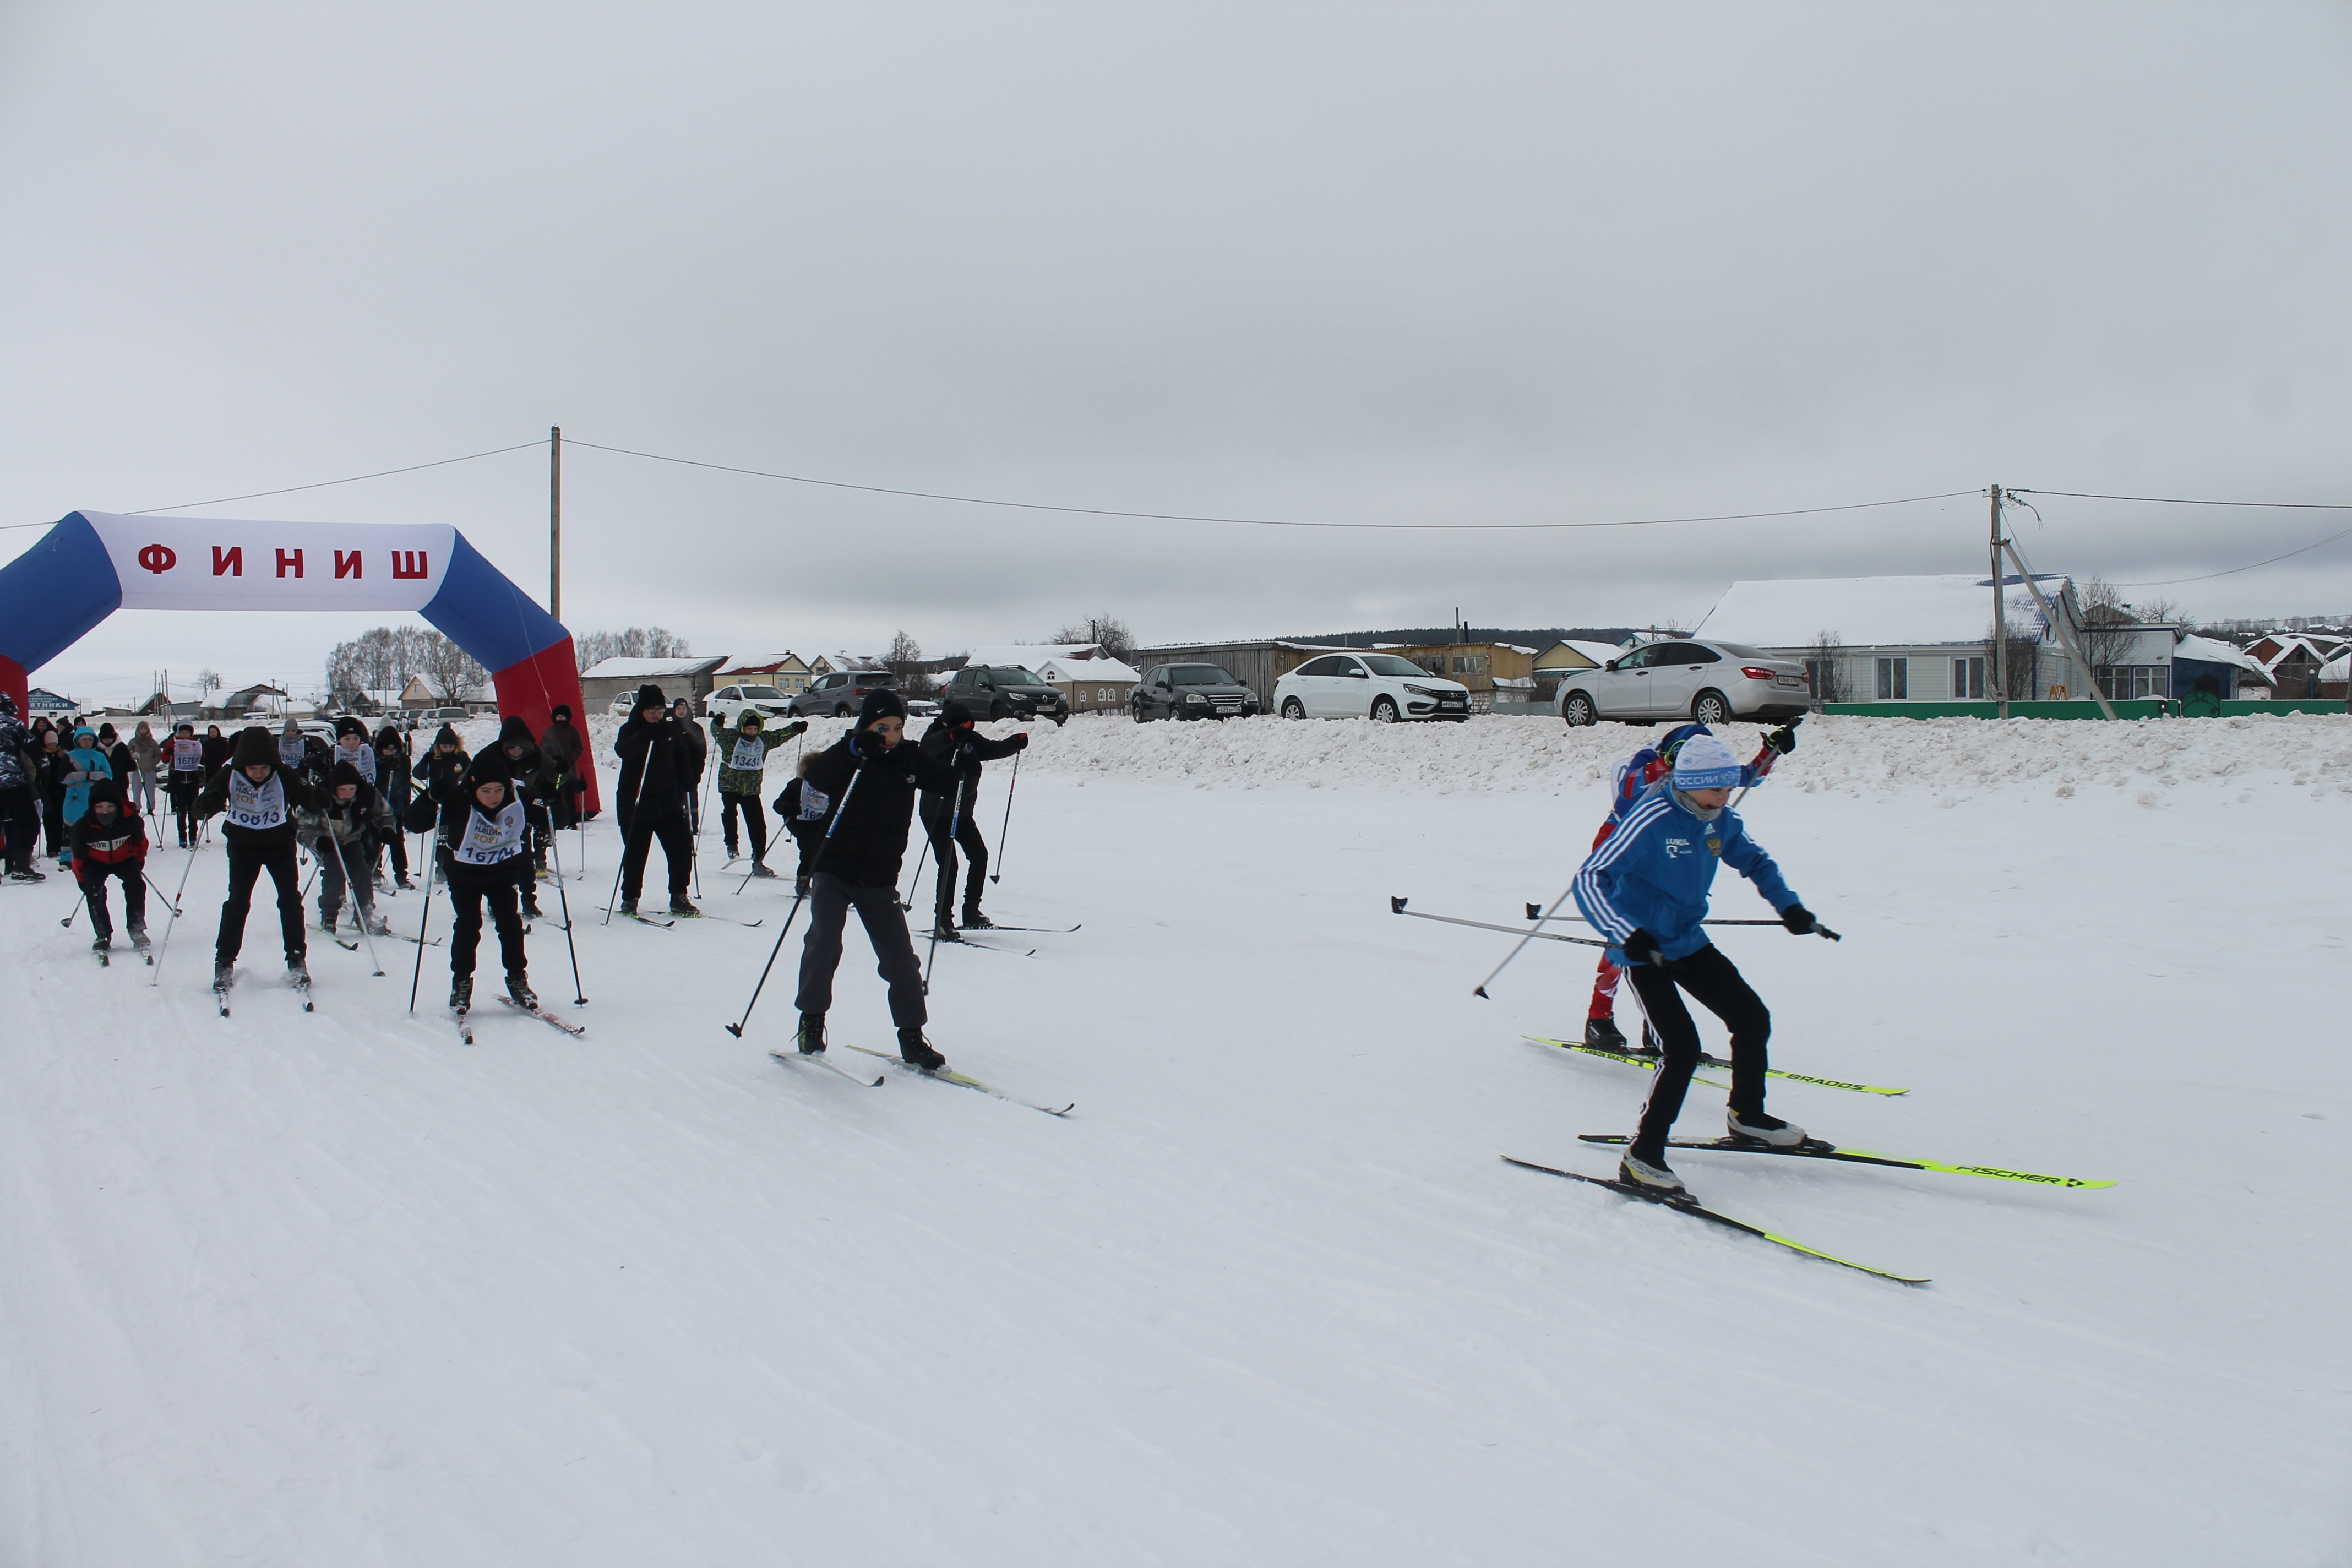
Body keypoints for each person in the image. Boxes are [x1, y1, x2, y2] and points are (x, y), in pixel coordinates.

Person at [1571, 734, 1820, 1195]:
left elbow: (1756, 862)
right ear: (1690, 784)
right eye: (1717, 791)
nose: (1725, 799)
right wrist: (1625, 931)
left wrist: (1789, 907)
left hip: (1687, 940)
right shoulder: (1651, 818)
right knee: (1682, 1048)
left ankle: (1747, 1116)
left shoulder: (1716, 820)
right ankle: (1643, 1155)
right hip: (1643, 949)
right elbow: (1589, 877)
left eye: (1728, 790)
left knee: (1751, 1017)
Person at [1581, 721, 1796, 1053]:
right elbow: (1628, 793)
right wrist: (1666, 762)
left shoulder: (1704, 779)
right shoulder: (1645, 760)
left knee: (1667, 943)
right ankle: (1599, 1018)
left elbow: (1746, 776)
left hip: (1675, 842)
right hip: (1625, 841)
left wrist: (1772, 751)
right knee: (1628, 936)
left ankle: (1656, 1030)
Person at [788, 688, 961, 1070]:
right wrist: (854, 751)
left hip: (880, 877)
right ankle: (812, 1020)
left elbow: (947, 782)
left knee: (901, 960)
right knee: (824, 942)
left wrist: (963, 757)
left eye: (898, 727)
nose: (892, 735)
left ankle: (912, 1037)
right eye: (883, 727)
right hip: (834, 869)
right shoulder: (849, 754)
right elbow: (816, 776)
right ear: (866, 725)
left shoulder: (907, 758)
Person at [406, 750, 541, 1011]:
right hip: (464, 874)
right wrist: (431, 797)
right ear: (473, 787)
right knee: (469, 925)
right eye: (486, 791)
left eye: (498, 790)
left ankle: (517, 979)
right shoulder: (458, 798)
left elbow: (554, 814)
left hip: (502, 873)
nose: (493, 797)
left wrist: (552, 797)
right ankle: (461, 983)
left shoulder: (516, 798)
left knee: (511, 924)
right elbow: (414, 823)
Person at [197, 725, 324, 993]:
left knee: (290, 901)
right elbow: (201, 806)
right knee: (238, 903)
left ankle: (296, 959)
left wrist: (321, 798)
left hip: (279, 845)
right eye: (252, 769)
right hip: (244, 846)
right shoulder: (229, 773)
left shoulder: (284, 773)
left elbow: (311, 798)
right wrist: (207, 804)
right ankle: (224, 962)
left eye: (264, 768)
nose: (258, 773)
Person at [916, 700, 1027, 938]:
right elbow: (927, 748)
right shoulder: (935, 736)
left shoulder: (969, 738)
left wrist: (1013, 743)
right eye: (959, 726)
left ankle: (971, 910)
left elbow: (990, 749)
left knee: (979, 855)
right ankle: (943, 919)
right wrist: (951, 736)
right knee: (949, 864)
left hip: (962, 811)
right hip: (936, 813)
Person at [612, 684, 696, 917]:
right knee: (636, 853)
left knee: (681, 848)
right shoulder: (630, 729)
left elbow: (680, 755)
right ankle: (630, 898)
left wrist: (688, 778)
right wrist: (644, 736)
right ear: (641, 709)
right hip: (636, 802)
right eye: (652, 709)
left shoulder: (669, 730)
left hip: (666, 801)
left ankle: (679, 895)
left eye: (660, 709)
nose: (657, 714)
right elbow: (623, 751)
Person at [300, 760, 396, 937]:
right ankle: (329, 916)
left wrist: (387, 829)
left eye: (351, 789)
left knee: (361, 873)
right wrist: (317, 841)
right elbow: (302, 827)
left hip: (352, 840)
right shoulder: (321, 798)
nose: (347, 795)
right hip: (328, 842)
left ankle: (364, 914)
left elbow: (384, 814)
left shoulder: (367, 794)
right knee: (335, 873)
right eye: (342, 790)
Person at [714, 710, 807, 875]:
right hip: (729, 784)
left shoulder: (763, 740)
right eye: (748, 729)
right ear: (742, 727)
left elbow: (780, 735)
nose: (751, 733)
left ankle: (758, 860)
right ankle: (732, 845)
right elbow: (716, 731)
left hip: (751, 788)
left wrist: (795, 728)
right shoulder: (730, 738)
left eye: (754, 730)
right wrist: (718, 722)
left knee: (758, 824)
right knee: (729, 813)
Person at [71, 778, 149, 955]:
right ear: (93, 808)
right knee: (93, 890)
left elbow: (141, 843)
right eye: (99, 807)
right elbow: (78, 857)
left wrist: (139, 863)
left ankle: (136, 927)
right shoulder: (83, 827)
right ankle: (102, 934)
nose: (105, 811)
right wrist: (82, 880)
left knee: (135, 885)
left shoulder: (131, 820)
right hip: (95, 862)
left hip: (125, 858)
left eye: (110, 807)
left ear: (118, 806)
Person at [492, 715, 557, 912]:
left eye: (521, 748)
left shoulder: (536, 755)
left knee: (525, 856)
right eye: (512, 748)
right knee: (500, 860)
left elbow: (557, 774)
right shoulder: (491, 756)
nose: (517, 752)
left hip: (525, 810)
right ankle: (497, 902)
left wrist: (556, 787)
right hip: (497, 814)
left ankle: (529, 900)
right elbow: (473, 780)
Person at [57, 726, 114, 868]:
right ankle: (66, 859)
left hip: (95, 798)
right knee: (71, 829)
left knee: (95, 828)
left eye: (90, 739)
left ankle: (94, 856)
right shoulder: (69, 756)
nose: (87, 742)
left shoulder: (100, 756)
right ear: (78, 741)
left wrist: (94, 776)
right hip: (74, 798)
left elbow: (109, 775)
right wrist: (85, 775)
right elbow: (63, 778)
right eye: (84, 740)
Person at [0, 692, 42, 883]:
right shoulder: (14, 724)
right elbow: (34, 750)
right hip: (12, 783)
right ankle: (22, 867)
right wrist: (44, 770)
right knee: (29, 823)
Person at [373, 725, 415, 889]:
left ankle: (402, 875)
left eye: (393, 749)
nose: (390, 752)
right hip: (378, 809)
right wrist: (384, 767)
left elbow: (406, 781)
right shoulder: (375, 760)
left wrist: (406, 805)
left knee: (397, 842)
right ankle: (375, 871)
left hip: (396, 808)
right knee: (375, 841)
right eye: (386, 749)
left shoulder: (403, 760)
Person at [537, 703, 587, 831]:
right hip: (554, 769)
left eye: (563, 717)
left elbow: (579, 748)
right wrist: (550, 762)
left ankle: (572, 821)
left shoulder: (572, 730)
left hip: (569, 768)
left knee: (570, 795)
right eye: (558, 717)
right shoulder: (549, 731)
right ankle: (556, 819)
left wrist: (571, 758)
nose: (560, 720)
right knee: (556, 795)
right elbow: (544, 749)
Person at [166, 721, 208, 848]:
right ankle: (182, 837)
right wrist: (169, 750)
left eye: (187, 732)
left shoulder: (195, 743)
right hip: (178, 779)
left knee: (192, 809)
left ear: (191, 733)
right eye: (183, 732)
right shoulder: (173, 742)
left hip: (192, 779)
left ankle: (193, 836)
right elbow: (164, 759)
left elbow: (204, 760)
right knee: (181, 809)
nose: (185, 735)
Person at [672, 698, 709, 834]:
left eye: (684, 709)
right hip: (674, 772)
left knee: (692, 800)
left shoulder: (696, 728)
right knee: (676, 800)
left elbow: (701, 751)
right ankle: (677, 825)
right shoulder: (670, 727)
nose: (681, 711)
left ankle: (694, 825)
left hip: (691, 771)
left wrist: (698, 771)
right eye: (679, 709)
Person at [128, 720, 161, 814]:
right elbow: (126, 754)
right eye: (141, 729)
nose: (143, 731)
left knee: (150, 791)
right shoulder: (133, 742)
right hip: (137, 770)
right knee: (136, 791)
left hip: (150, 770)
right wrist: (132, 757)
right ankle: (137, 808)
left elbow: (158, 755)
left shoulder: (153, 743)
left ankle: (151, 809)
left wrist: (153, 763)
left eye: (145, 729)